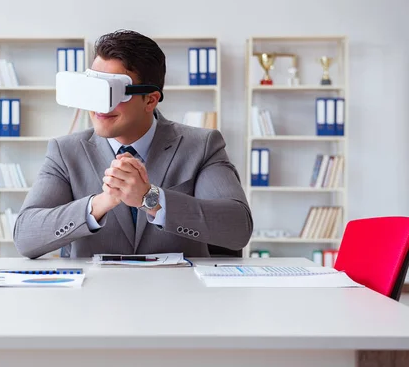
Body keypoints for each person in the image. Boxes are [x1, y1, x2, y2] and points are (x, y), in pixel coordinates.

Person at [14, 29, 253, 259]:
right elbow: (25, 236)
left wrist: (151, 199)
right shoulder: (66, 152)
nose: (100, 106)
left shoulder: (201, 146)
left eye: (113, 92)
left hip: (178, 294)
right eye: (94, 89)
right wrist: (99, 204)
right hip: (95, 296)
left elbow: (237, 228)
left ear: (150, 99)